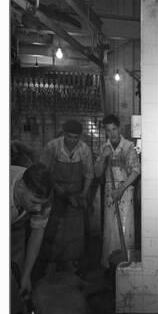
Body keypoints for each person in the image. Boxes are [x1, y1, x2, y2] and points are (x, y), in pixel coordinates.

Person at [39, 120, 94, 270]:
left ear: (80, 137)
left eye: (75, 137)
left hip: (76, 195)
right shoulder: (52, 147)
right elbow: (43, 173)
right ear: (64, 134)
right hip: (55, 194)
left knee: (74, 230)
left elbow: (89, 174)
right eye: (69, 136)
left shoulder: (84, 150)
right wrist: (59, 190)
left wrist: (83, 194)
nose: (72, 140)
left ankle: (72, 262)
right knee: (54, 228)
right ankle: (51, 262)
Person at [94, 114, 141, 269]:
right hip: (109, 191)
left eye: (114, 129)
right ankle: (109, 264)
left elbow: (135, 171)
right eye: (108, 130)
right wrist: (102, 157)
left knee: (126, 228)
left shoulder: (128, 146)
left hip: (126, 190)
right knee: (110, 227)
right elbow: (98, 173)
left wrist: (121, 189)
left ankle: (126, 262)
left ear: (119, 128)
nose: (112, 133)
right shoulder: (104, 148)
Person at [10, 162, 53, 300]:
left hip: (16, 222)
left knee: (15, 281)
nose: (39, 209)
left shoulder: (43, 194)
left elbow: (37, 231)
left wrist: (26, 275)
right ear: (21, 187)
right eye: (34, 202)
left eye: (42, 203)